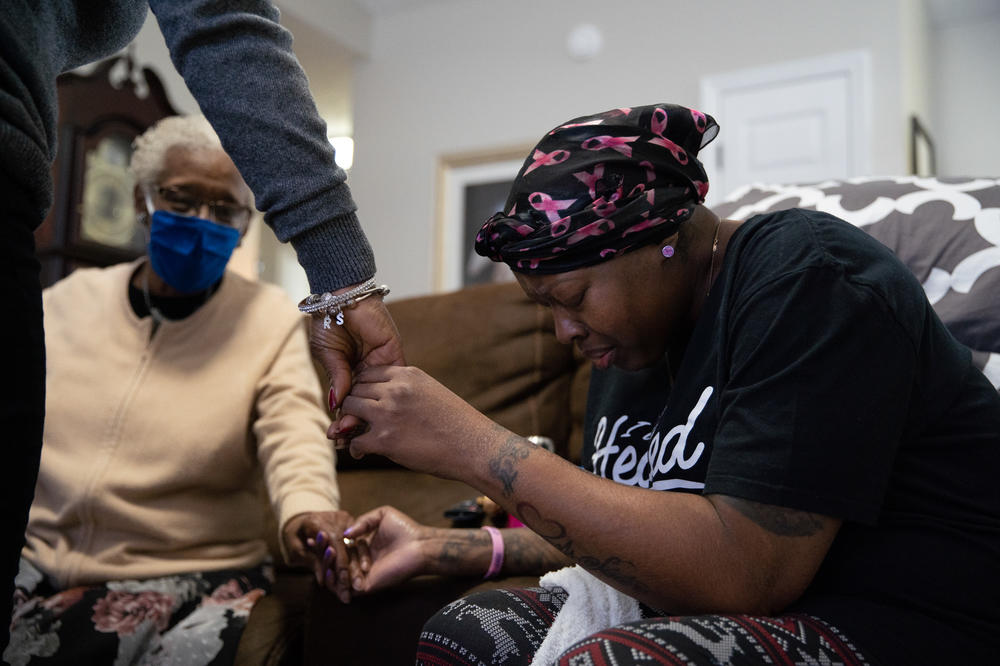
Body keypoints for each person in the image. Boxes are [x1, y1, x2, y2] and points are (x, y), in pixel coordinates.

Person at [318, 104, 1000, 665]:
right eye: (545, 308)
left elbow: (744, 575)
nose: (565, 333)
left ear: (662, 240)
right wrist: (449, 547)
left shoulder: (808, 278)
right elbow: (620, 531)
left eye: (574, 297)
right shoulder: (636, 344)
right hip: (787, 603)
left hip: (922, 615)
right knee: (466, 631)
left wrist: (472, 445)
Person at [1, 1, 404, 648]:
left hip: (183, 568)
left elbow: (295, 435)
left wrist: (309, 512)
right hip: (39, 560)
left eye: (227, 210)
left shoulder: (269, 319)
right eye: (182, 200)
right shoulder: (65, 301)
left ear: (248, 222)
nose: (203, 223)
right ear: (142, 202)